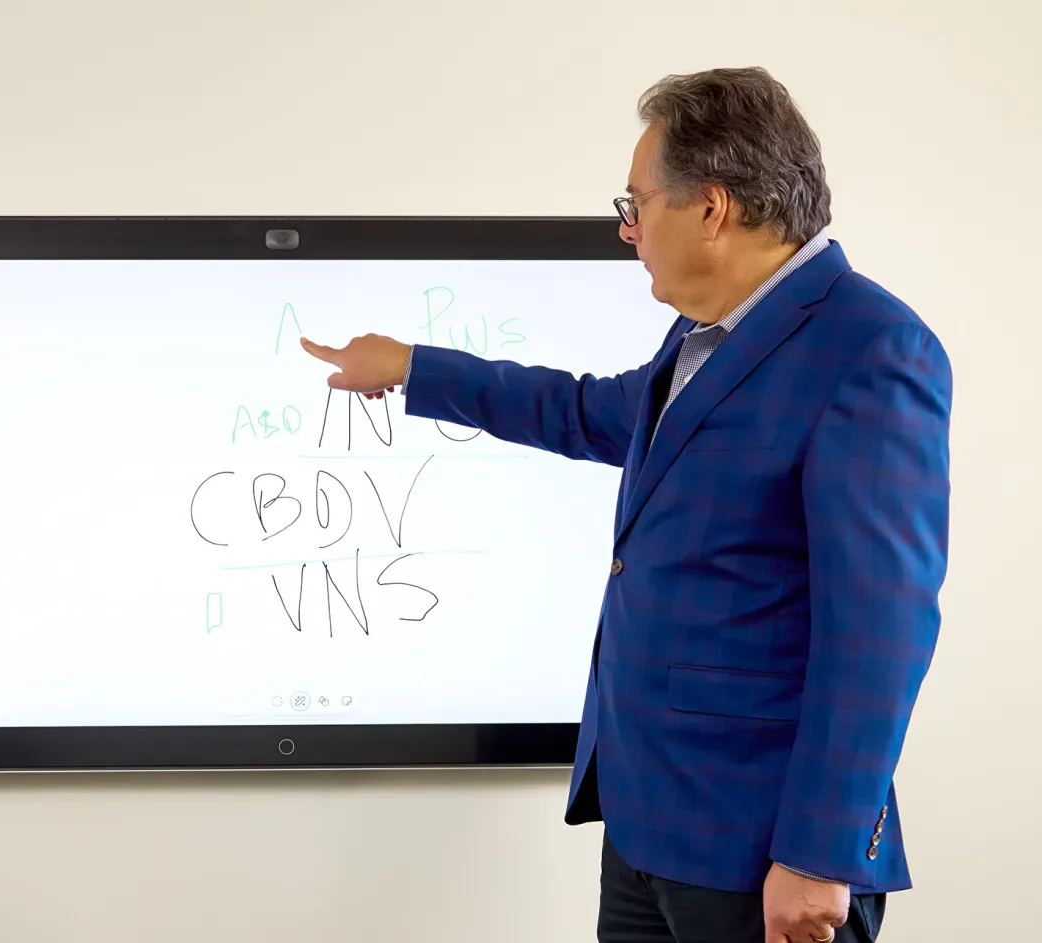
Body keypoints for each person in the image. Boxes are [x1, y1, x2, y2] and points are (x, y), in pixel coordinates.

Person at [304, 67, 947, 943]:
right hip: (650, 826)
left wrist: (820, 854)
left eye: (637, 202)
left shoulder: (870, 347)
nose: (627, 226)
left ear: (711, 208)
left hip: (764, 852)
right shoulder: (704, 335)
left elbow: (881, 631)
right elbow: (588, 412)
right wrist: (417, 368)